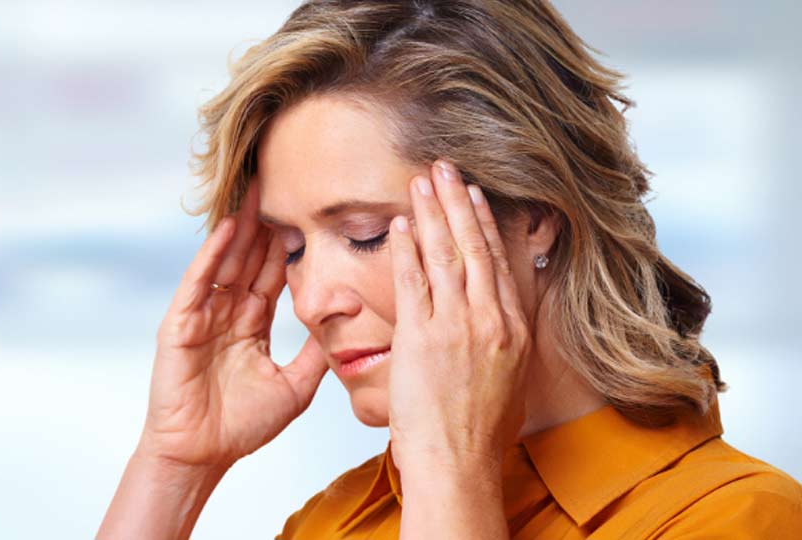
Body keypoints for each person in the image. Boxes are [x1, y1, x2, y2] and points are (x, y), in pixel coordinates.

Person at [96, 1, 802, 538]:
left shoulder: (738, 517)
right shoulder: (337, 521)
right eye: (292, 249)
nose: (310, 302)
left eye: (365, 235)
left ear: (534, 215)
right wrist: (174, 469)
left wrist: (452, 476)